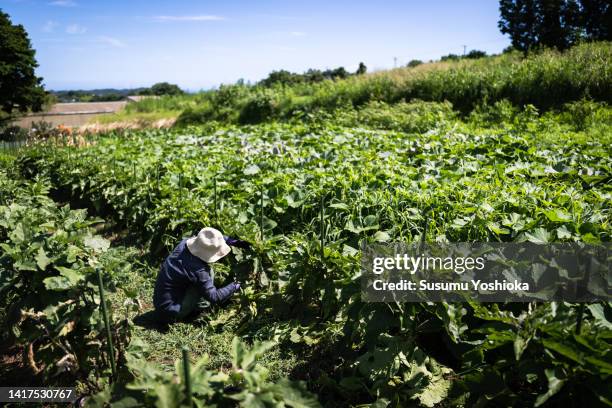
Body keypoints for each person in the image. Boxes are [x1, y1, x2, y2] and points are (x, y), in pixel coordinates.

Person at [153, 227, 251, 324]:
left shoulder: (184, 243)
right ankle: (200, 309)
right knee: (207, 275)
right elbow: (215, 296)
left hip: (161, 302)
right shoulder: (198, 270)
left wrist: (234, 242)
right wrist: (236, 284)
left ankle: (195, 304)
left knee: (205, 275)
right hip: (171, 311)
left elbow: (210, 241)